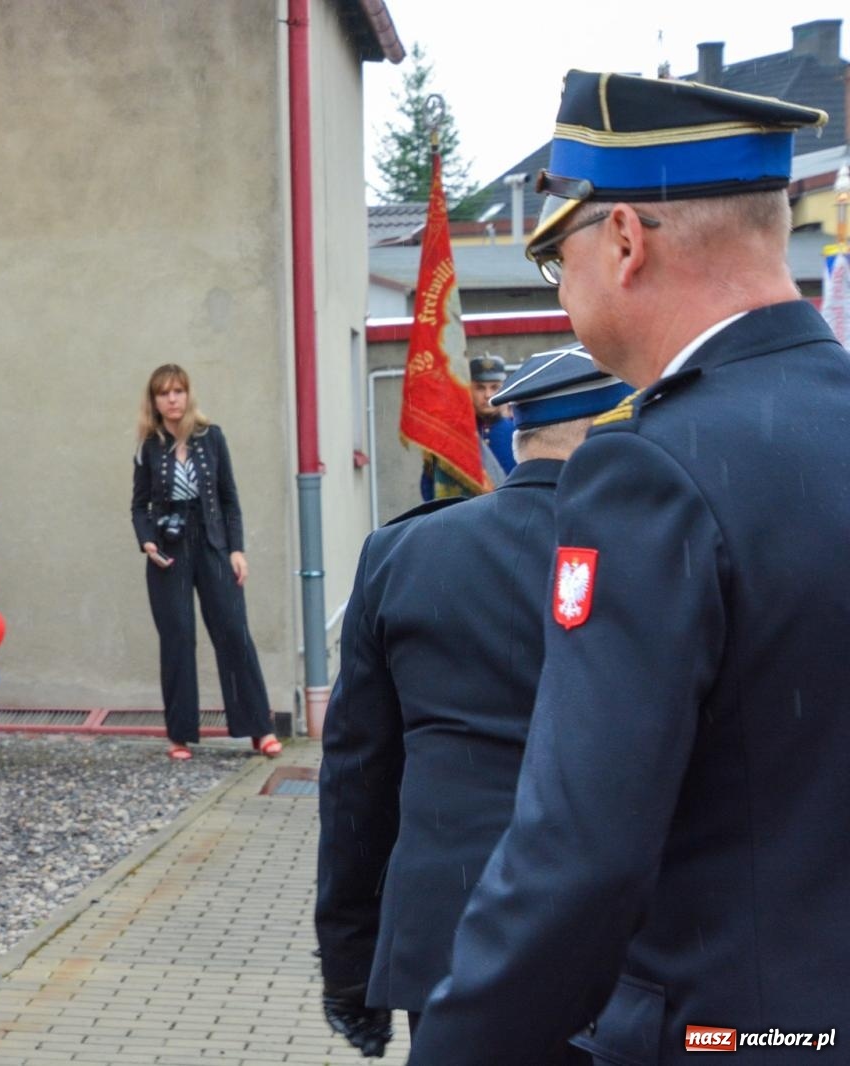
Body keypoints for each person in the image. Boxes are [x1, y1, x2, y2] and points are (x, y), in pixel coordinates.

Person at [410, 73, 850, 1064]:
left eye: (556, 255)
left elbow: (579, 855)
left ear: (622, 240)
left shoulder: (648, 466)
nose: (560, 291)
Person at [316, 347, 630, 1062]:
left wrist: (349, 967)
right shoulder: (650, 546)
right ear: (610, 431)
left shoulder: (404, 552)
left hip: (450, 938)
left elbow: (357, 781)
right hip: (614, 948)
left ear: (519, 435)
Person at [131, 364, 278, 761]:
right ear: (155, 401)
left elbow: (229, 497)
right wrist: (146, 541)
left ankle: (259, 730)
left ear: (188, 394)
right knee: (177, 637)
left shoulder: (211, 437)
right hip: (168, 550)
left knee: (233, 631)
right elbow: (139, 505)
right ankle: (179, 735)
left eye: (178, 391)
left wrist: (236, 549)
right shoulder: (149, 445)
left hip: (212, 542)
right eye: (164, 393)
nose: (172, 399)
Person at [418, 354, 514, 501]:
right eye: (480, 388)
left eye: (494, 387)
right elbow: (431, 488)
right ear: (469, 390)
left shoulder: (518, 433)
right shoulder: (451, 437)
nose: (488, 395)